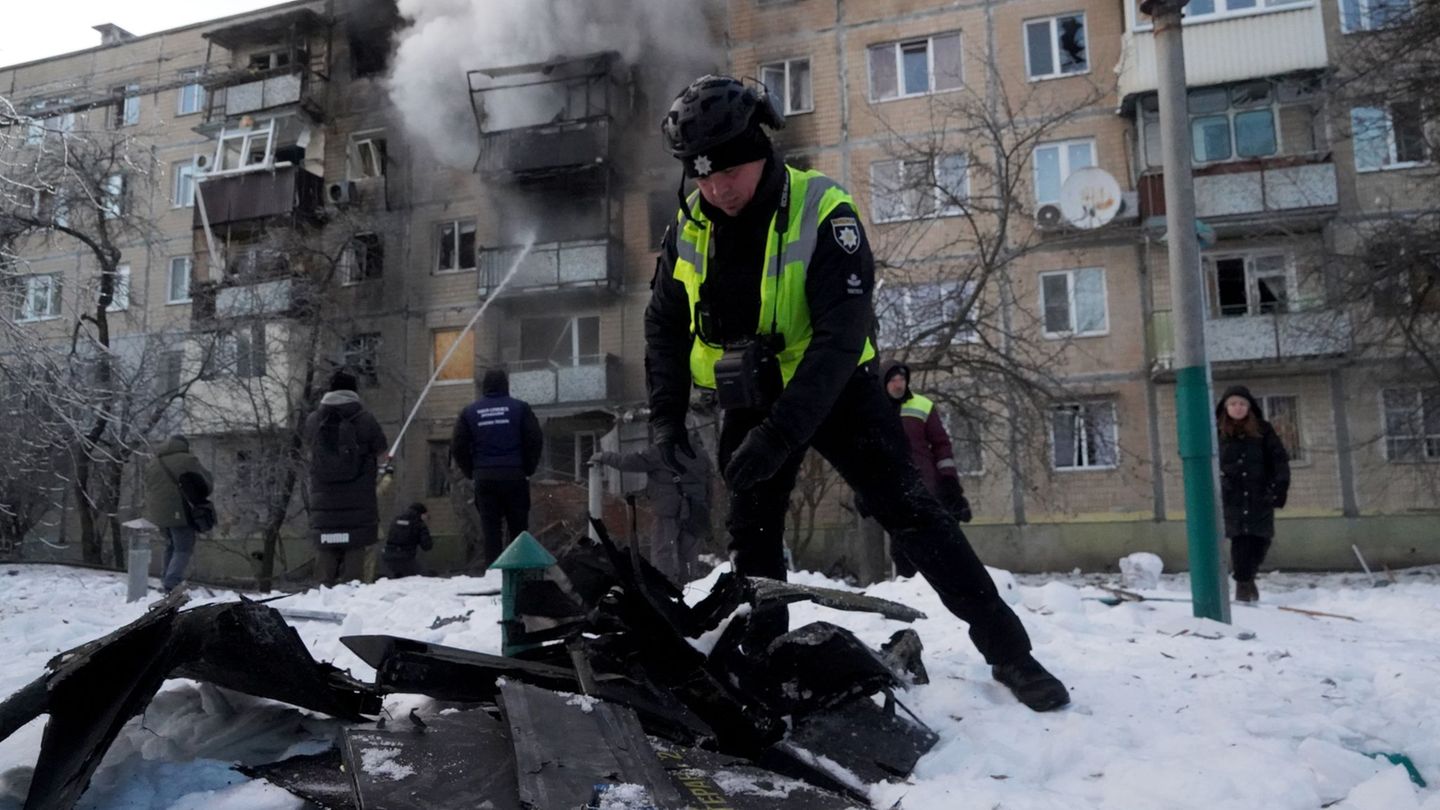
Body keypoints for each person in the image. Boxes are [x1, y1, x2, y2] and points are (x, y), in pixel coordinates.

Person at [644, 74, 1069, 711]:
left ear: (761, 151)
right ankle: (765, 645)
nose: (716, 190)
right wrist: (666, 420)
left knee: (914, 515)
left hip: (838, 390)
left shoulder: (823, 210)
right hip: (749, 393)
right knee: (751, 531)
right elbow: (664, 321)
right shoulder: (691, 224)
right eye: (700, 177)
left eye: (728, 173)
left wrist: (781, 434)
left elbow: (841, 339)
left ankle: (1011, 652)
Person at [883, 363, 972, 577]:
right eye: (893, 380)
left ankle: (934, 587)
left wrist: (950, 484)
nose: (898, 384)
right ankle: (908, 588)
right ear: (884, 383)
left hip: (926, 486)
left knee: (934, 541)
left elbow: (941, 445)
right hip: (894, 489)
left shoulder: (922, 405)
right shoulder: (876, 408)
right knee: (903, 548)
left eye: (902, 379)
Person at [591, 430, 713, 583]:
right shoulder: (700, 453)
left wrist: (604, 456)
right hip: (696, 511)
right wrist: (707, 507)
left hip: (668, 511)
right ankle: (690, 590)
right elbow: (709, 484)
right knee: (689, 555)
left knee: (663, 552)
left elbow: (628, 462)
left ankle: (666, 591)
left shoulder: (661, 452)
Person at [303, 370, 389, 587]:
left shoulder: (313, 421)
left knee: (325, 562)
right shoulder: (365, 419)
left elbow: (309, 454)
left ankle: (322, 597)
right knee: (355, 561)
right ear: (354, 391)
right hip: (358, 504)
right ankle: (351, 603)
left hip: (324, 504)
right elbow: (382, 455)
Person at [452, 368, 543, 567]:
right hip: (514, 476)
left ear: (484, 386)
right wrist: (528, 468)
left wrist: (472, 472)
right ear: (506, 385)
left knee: (491, 530)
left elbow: (458, 446)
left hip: (485, 479)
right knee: (519, 530)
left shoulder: (470, 412)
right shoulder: (520, 408)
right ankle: (520, 574)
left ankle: (494, 574)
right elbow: (535, 439)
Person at [1216, 385, 1290, 603]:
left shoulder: (1263, 430)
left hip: (1260, 495)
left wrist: (1278, 487)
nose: (1237, 408)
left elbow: (1279, 460)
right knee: (1240, 540)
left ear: (1249, 407)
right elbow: (1209, 463)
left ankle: (1248, 579)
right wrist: (1221, 482)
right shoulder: (1216, 431)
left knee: (1261, 539)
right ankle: (1243, 585)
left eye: (1242, 404)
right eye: (1233, 404)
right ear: (1225, 407)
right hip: (1232, 497)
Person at [143, 434, 213, 593]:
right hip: (180, 512)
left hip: (158, 514)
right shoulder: (187, 460)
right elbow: (206, 484)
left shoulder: (153, 463)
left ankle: (166, 579)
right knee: (183, 548)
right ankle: (171, 581)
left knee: (170, 546)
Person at [381, 502, 433, 579]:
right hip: (406, 558)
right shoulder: (419, 524)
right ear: (421, 514)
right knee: (420, 579)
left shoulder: (396, 520)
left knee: (395, 580)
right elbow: (427, 546)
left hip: (388, 556)